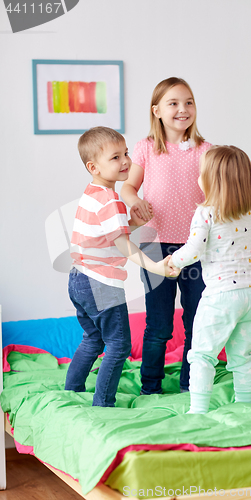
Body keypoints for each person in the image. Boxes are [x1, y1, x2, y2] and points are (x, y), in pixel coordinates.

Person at [65, 126, 179, 408]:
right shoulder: (112, 199)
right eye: (115, 157)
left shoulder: (92, 193)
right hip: (101, 283)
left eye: (126, 153)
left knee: (93, 339)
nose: (126, 161)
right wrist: (157, 267)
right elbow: (123, 245)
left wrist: (136, 223)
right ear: (94, 167)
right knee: (119, 346)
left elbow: (110, 235)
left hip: (78, 279)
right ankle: (103, 403)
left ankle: (72, 391)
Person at [121, 77, 212, 395]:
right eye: (173, 103)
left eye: (189, 102)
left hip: (197, 246)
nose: (183, 109)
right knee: (159, 323)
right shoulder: (146, 148)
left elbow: (215, 193)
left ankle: (190, 383)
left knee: (195, 320)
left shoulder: (206, 150)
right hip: (155, 245)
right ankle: (150, 386)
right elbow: (128, 187)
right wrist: (135, 202)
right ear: (156, 110)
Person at [169, 145, 251, 414]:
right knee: (242, 355)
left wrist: (172, 262)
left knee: (201, 355)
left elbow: (193, 250)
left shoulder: (206, 212)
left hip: (221, 295)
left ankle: (198, 411)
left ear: (211, 180)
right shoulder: (250, 210)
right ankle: (246, 407)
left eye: (201, 172)